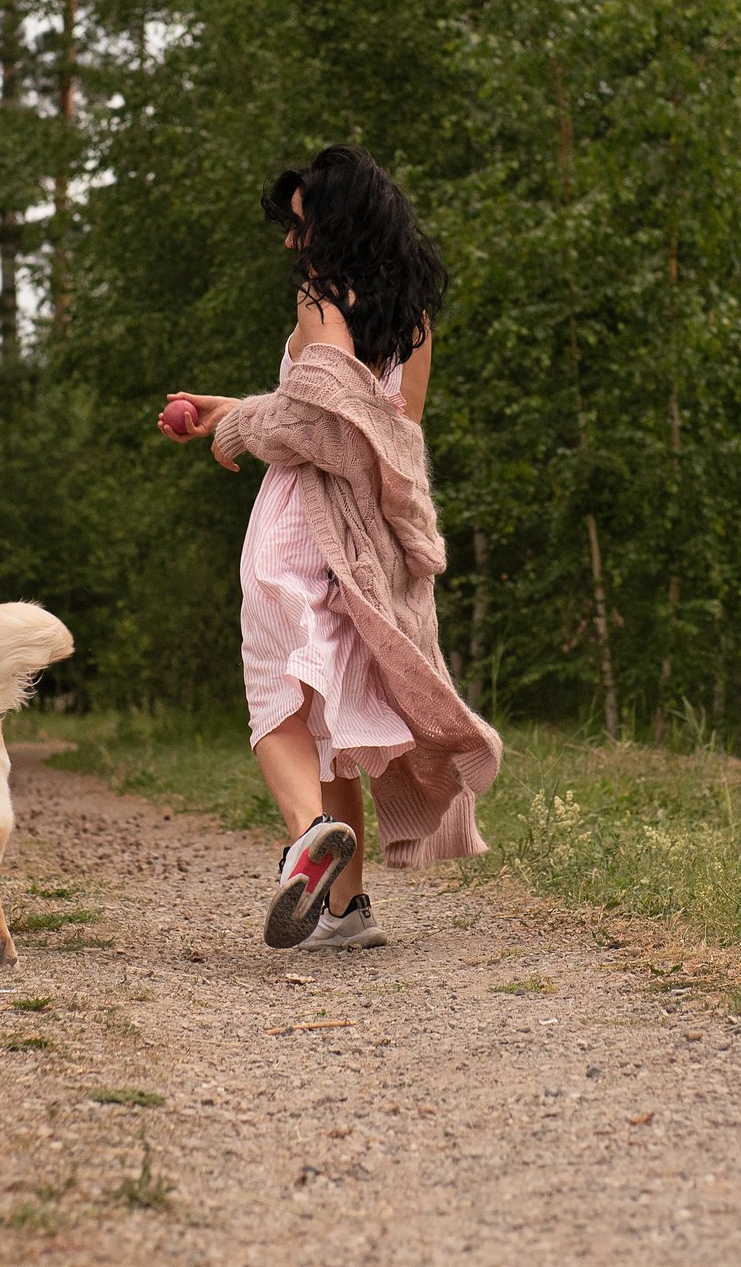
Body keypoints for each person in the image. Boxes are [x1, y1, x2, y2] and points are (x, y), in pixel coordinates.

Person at [163, 143, 498, 952]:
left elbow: (319, 425)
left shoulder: (321, 300)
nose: (291, 243)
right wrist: (232, 405)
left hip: (300, 517)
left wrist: (244, 424)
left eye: (300, 226)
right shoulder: (413, 316)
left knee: (276, 695)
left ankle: (307, 836)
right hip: (367, 533)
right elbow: (384, 427)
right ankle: (345, 910)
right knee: (336, 720)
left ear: (336, 224)